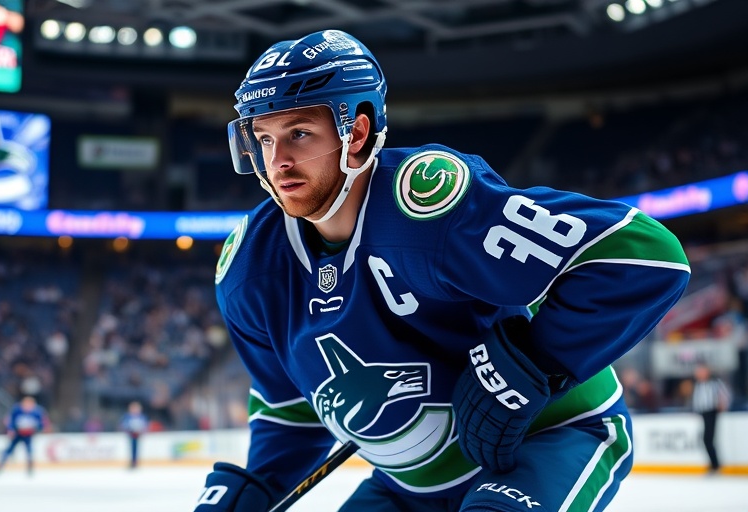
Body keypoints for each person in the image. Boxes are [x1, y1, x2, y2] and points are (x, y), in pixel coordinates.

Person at [195, 29, 692, 512]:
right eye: (263, 138)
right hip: (409, 487)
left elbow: (644, 255)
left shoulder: (427, 210)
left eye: (299, 133)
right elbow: (291, 406)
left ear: (357, 132)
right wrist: (261, 486)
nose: (277, 161)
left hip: (547, 438)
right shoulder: (249, 268)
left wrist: (536, 360)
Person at [0, 395, 47, 477]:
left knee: (29, 451)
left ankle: (30, 468)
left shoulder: (37, 412)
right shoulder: (16, 410)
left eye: (30, 404)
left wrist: (38, 429)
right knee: (8, 450)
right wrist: (11, 430)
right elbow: (10, 420)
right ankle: (0, 467)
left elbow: (42, 423)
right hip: (17, 434)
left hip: (28, 435)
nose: (27, 406)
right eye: (26, 404)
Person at [690, 363, 730, 474]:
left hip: (711, 412)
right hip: (703, 413)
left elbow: (725, 395)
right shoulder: (697, 385)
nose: (698, 374)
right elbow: (697, 400)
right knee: (706, 440)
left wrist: (722, 405)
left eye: (701, 371)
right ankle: (714, 464)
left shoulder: (715, 383)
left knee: (708, 439)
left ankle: (715, 465)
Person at [120, 401, 149, 469]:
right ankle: (132, 462)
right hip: (131, 435)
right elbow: (123, 425)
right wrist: (128, 430)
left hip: (138, 435)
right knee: (131, 448)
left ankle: (135, 462)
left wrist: (141, 431)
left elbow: (145, 425)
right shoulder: (127, 416)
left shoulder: (142, 417)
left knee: (137, 448)